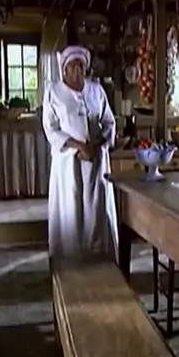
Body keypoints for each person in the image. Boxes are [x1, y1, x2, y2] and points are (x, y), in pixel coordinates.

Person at [42, 45, 119, 260]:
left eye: (82, 66)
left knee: (96, 209)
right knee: (71, 208)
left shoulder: (96, 91)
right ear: (64, 70)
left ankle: (100, 259)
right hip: (69, 162)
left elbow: (109, 123)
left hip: (96, 160)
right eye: (73, 66)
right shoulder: (53, 92)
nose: (78, 71)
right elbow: (51, 128)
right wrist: (79, 146)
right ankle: (69, 261)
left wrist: (95, 144)